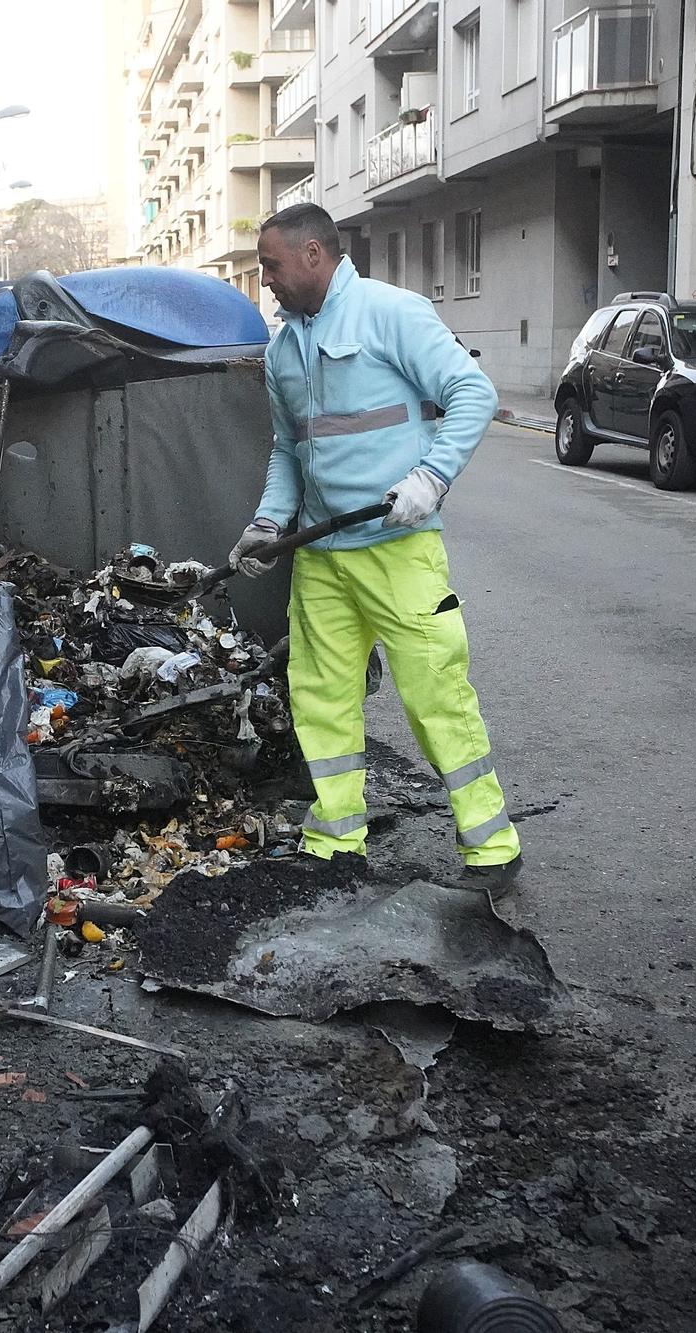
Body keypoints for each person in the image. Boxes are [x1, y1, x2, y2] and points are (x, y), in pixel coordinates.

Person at [232, 204, 522, 895]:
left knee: (435, 693)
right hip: (324, 558)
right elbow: (289, 452)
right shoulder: (281, 352)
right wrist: (270, 523)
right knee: (321, 696)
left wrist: (431, 477)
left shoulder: (392, 314)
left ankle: (491, 843)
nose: (264, 279)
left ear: (312, 255)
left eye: (270, 265)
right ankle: (336, 837)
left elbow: (472, 394)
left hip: (398, 548)